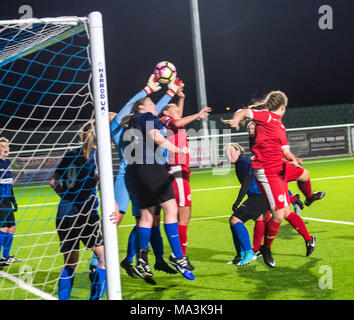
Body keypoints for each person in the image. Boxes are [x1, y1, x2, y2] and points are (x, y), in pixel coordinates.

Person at [228, 91, 318, 268]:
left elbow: (285, 151)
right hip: (268, 172)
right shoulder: (267, 117)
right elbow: (244, 112)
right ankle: (266, 248)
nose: (252, 129)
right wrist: (236, 119)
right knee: (280, 214)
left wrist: (294, 158)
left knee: (304, 174)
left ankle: (308, 199)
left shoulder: (280, 126)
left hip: (280, 166)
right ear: (283, 107)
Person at [108, 74, 180, 280]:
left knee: (150, 219)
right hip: (127, 176)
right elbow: (134, 107)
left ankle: (150, 260)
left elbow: (152, 111)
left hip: (144, 175)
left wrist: (169, 93)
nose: (117, 114)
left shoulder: (139, 124)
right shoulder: (117, 130)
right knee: (118, 219)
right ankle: (102, 262)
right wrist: (147, 90)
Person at [121, 89, 195, 283]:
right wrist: (179, 149)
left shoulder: (130, 122)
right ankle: (178, 256)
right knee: (171, 209)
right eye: (153, 104)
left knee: (146, 216)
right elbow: (157, 138)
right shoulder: (147, 116)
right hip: (152, 168)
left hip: (136, 171)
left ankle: (142, 260)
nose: (156, 107)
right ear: (142, 106)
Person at [49, 122, 119, 300]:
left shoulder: (70, 154)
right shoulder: (98, 156)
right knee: (104, 259)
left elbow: (52, 182)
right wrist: (115, 207)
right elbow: (104, 185)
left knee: (70, 264)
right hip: (86, 213)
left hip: (64, 213)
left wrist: (65, 197)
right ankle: (94, 298)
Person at [160, 84, 211, 257]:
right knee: (183, 213)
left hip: (182, 169)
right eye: (173, 108)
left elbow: (179, 117)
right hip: (177, 169)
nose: (176, 111)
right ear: (166, 112)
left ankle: (179, 252)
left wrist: (181, 98)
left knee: (185, 215)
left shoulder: (174, 121)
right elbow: (177, 120)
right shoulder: (166, 121)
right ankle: (179, 254)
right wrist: (198, 114)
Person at [0, 137, 20, 267]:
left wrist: (14, 201)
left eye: (8, 146)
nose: (7, 149)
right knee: (3, 229)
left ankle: (6, 256)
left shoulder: (7, 163)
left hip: (7, 200)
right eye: (3, 147)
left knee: (12, 228)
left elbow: (9, 184)